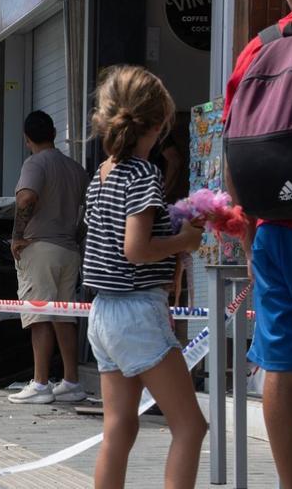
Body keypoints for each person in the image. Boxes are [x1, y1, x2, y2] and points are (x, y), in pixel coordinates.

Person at [84, 65, 206, 488]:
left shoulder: (101, 175)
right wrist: (184, 242)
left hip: (102, 312)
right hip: (136, 312)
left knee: (119, 429)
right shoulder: (143, 175)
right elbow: (135, 250)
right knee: (190, 427)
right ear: (158, 124)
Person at [224, 0, 292, 487]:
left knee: (281, 364)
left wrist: (251, 238)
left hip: (272, 229)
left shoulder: (257, 47)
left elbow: (234, 149)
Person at [7, 110, 89, 404]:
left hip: (40, 247)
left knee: (39, 315)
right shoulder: (75, 168)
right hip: (69, 251)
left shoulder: (35, 163)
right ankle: (71, 382)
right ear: (53, 133)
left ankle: (40, 383)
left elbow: (26, 197)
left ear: (27, 138)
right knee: (64, 317)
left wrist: (17, 235)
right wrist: (75, 236)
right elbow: (88, 211)